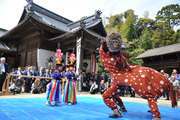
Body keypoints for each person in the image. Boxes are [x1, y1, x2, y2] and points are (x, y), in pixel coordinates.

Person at [100, 32, 176, 119]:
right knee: (114, 95)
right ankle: (122, 108)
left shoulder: (108, 58)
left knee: (107, 96)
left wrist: (105, 44)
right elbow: (126, 66)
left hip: (120, 79)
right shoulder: (119, 57)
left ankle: (156, 116)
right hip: (121, 79)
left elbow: (103, 51)